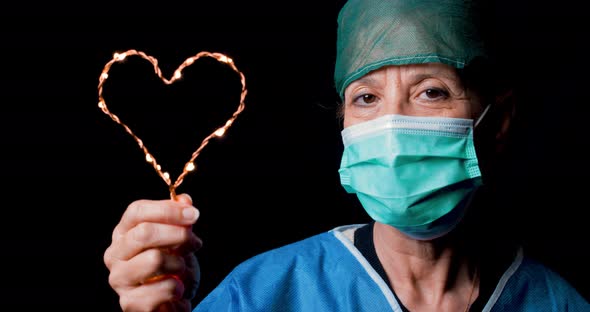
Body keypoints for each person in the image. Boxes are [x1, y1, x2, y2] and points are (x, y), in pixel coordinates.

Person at [103, 0, 590, 311]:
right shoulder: (261, 294)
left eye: (433, 93)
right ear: (343, 125)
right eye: (366, 98)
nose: (393, 129)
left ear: (497, 122)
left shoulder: (555, 303)